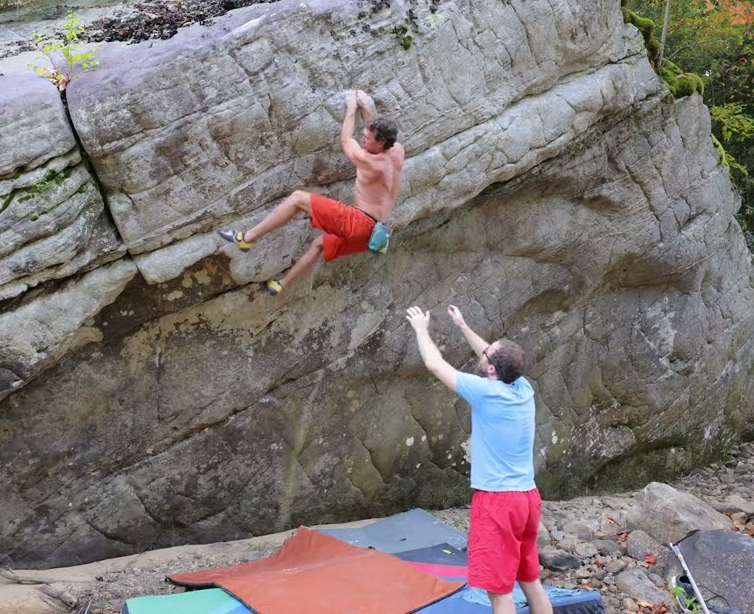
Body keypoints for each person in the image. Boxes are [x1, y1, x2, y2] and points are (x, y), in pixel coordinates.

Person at [404, 304, 553, 614]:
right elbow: (493, 354)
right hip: (527, 499)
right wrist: (462, 326)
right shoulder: (523, 388)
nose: (482, 352)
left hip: (498, 502)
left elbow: (434, 364)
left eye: (486, 354)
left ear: (491, 369)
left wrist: (420, 329)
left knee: (499, 593)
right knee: (530, 581)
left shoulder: (485, 392)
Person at [218, 90, 404, 295]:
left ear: (380, 143)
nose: (363, 139)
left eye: (367, 138)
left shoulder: (370, 162)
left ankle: (247, 238)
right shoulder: (397, 151)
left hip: (358, 222)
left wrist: (351, 107)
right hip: (375, 234)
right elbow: (375, 136)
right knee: (319, 244)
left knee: (297, 198)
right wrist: (367, 110)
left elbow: (346, 140)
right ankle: (280, 284)